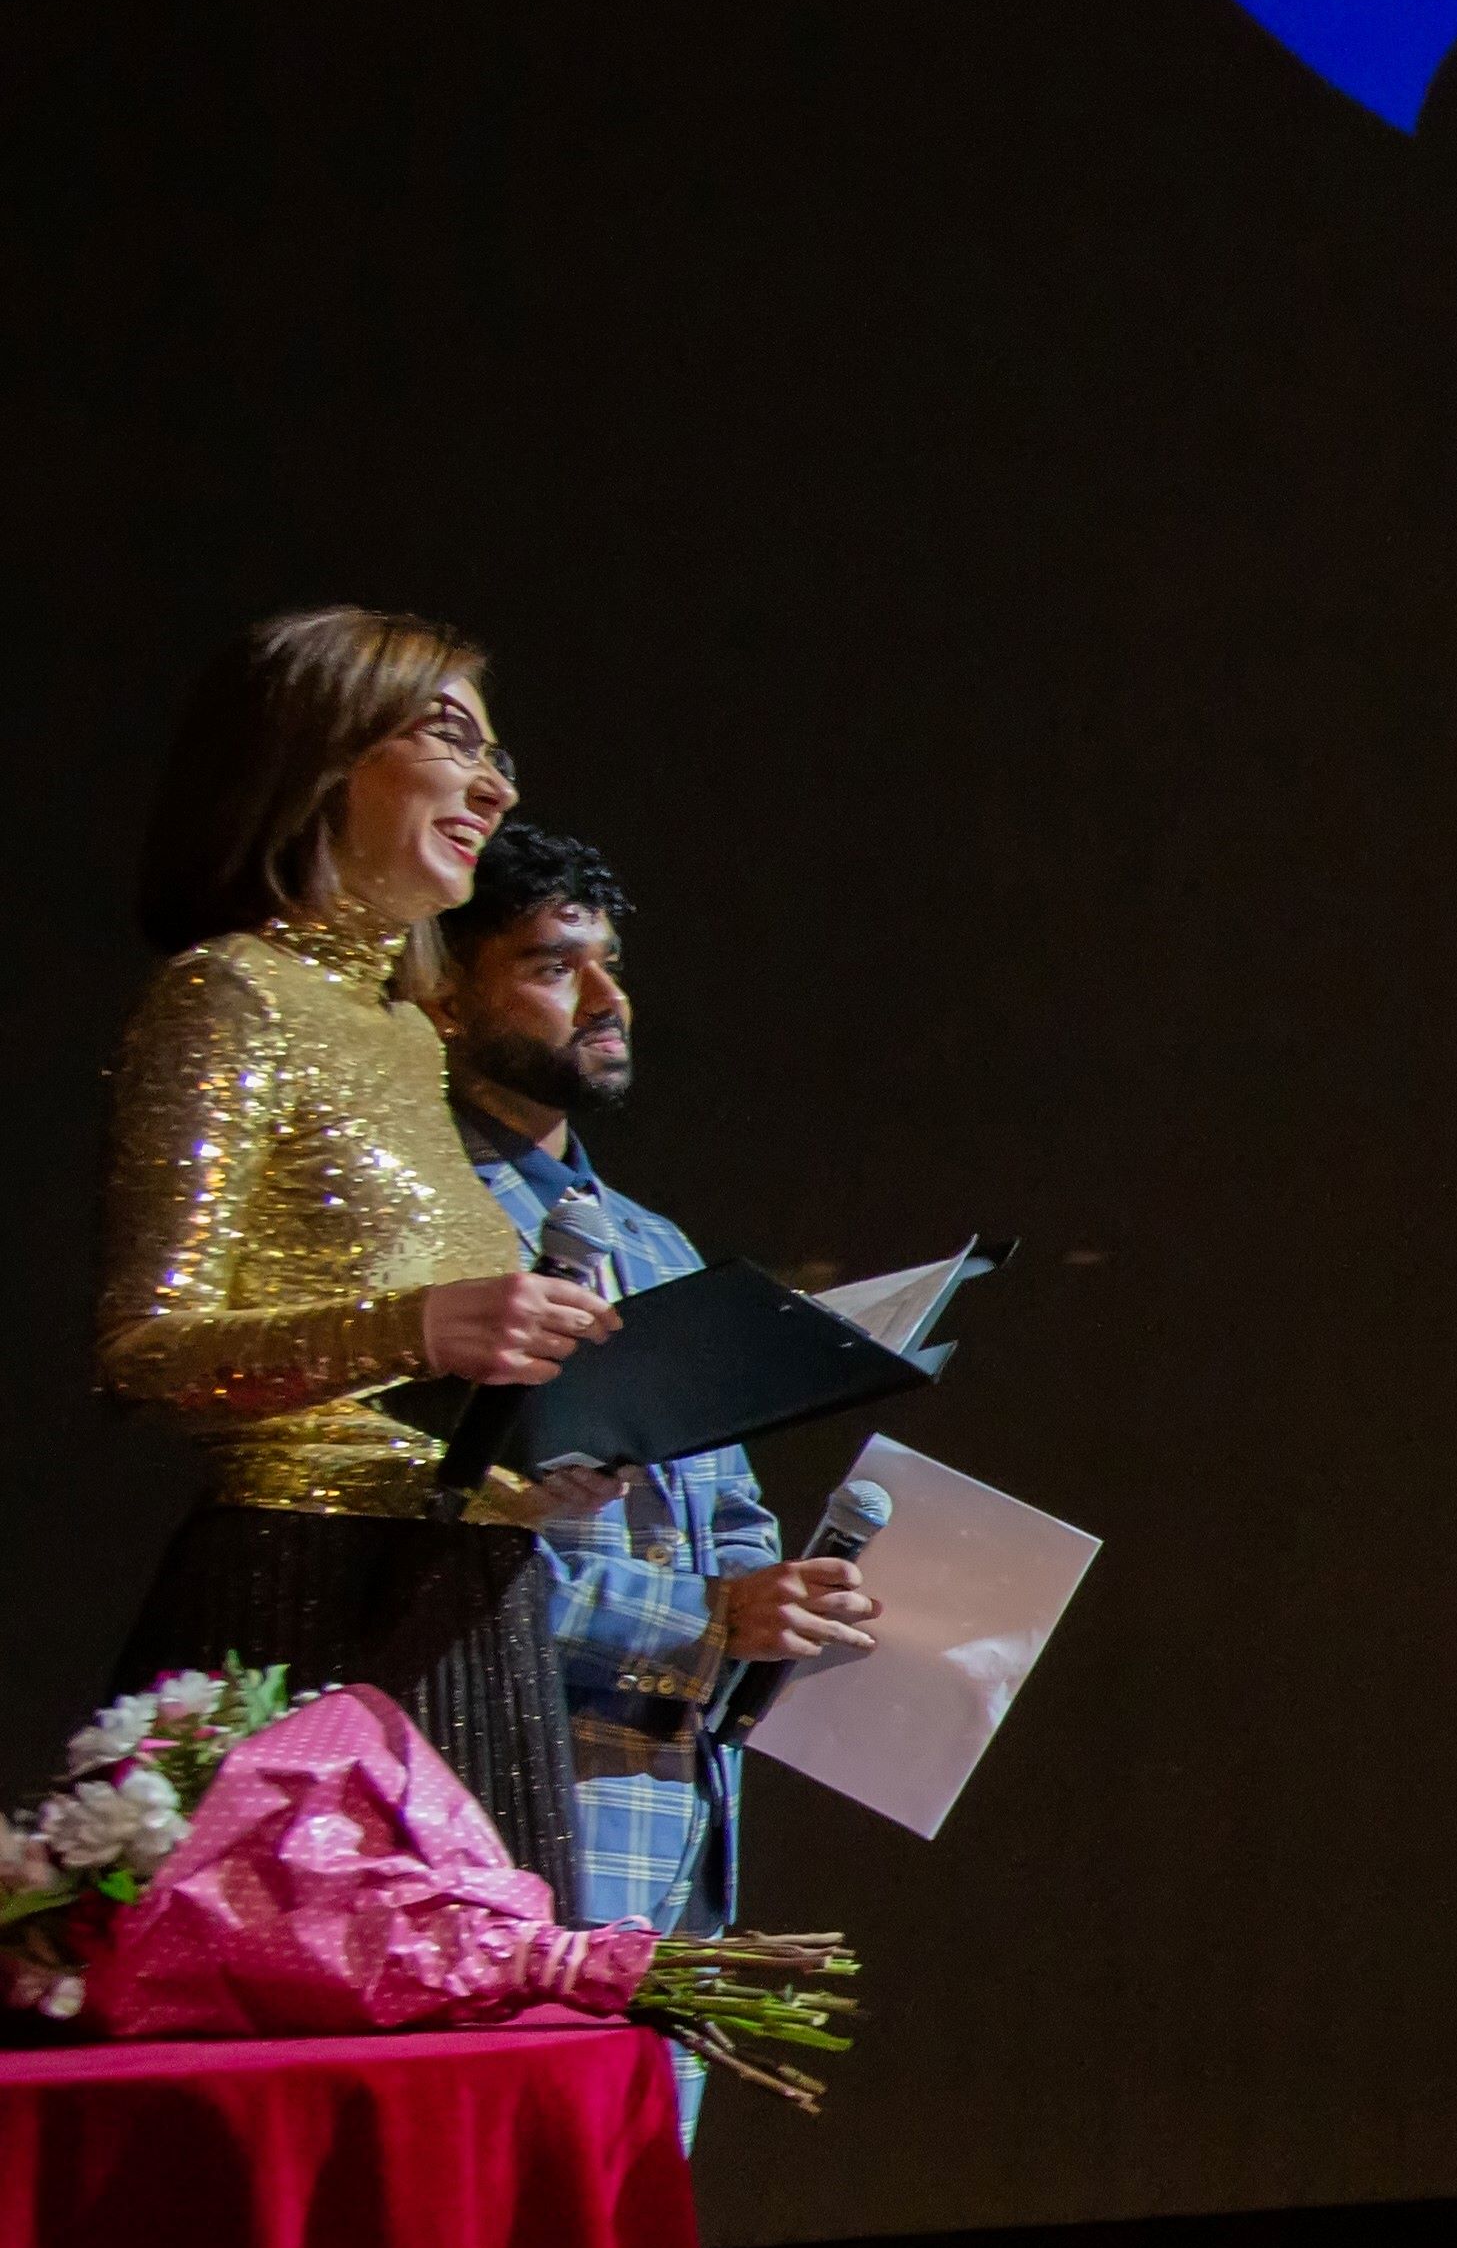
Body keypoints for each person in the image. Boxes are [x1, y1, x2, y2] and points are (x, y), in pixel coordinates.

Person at [97, 609, 618, 1904]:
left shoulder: (400, 1033)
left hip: (466, 1606)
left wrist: (526, 1468)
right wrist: (417, 1329)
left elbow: (415, 1384)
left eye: (498, 754)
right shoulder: (232, 993)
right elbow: (143, 1353)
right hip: (300, 1601)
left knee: (499, 2008)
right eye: (450, 739)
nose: (495, 788)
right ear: (314, 757)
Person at [426, 823, 882, 2125]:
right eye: (553, 966)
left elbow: (725, 1509)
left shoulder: (652, 1240)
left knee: (631, 2210)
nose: (606, 998)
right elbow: (419, 1547)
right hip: (505, 1806)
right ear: (444, 995)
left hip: (671, 1813)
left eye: (610, 963)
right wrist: (703, 1621)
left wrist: (780, 1599)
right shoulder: (428, 1223)